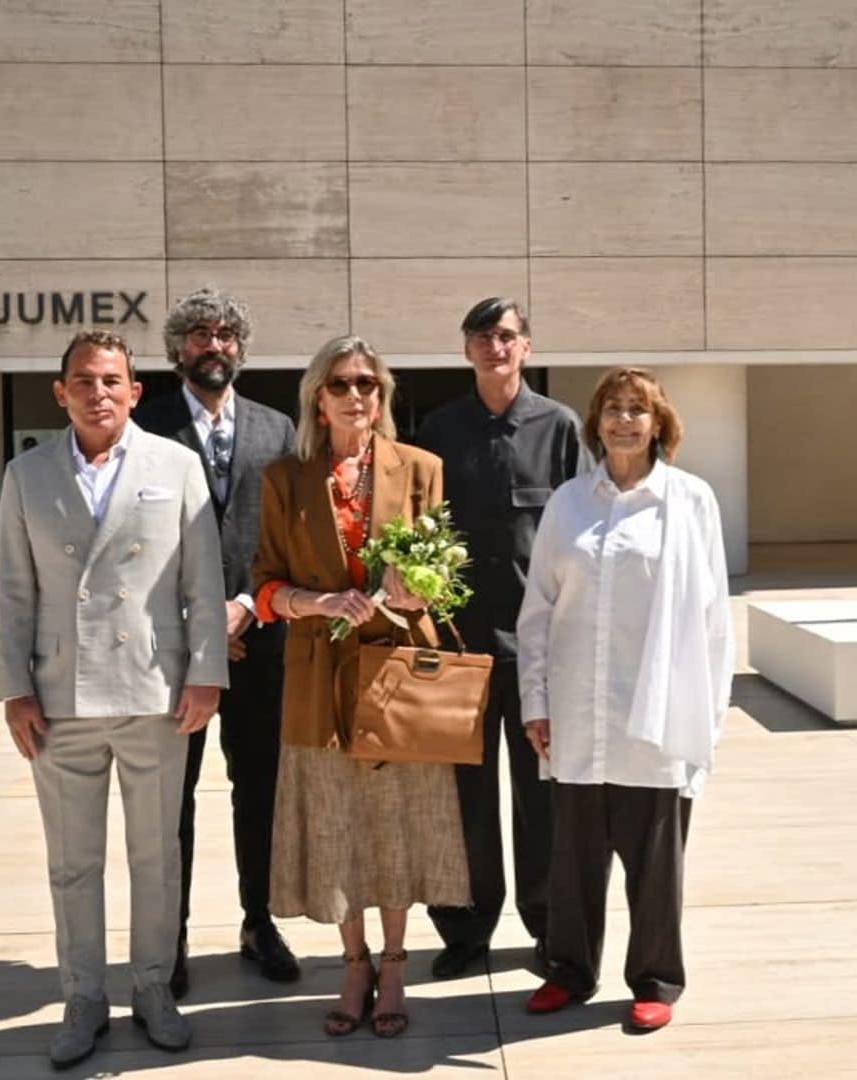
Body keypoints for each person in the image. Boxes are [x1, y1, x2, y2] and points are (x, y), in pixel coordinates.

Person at [0, 329, 228, 1069]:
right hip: (60, 698)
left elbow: (203, 584)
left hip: (155, 692)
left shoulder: (176, 465)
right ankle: (83, 997)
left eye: (112, 380)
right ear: (61, 392)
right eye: (84, 381)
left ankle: (154, 989)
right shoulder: (25, 474)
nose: (99, 393)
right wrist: (14, 689)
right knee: (73, 861)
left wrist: (205, 673)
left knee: (157, 855)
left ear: (134, 391)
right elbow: (12, 591)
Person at [251, 334, 471, 1039]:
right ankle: (353, 963)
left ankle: (397, 964)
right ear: (318, 396)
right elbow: (263, 586)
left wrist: (417, 593)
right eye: (342, 383)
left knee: (398, 824)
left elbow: (444, 580)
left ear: (384, 397)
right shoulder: (284, 478)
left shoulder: (422, 469)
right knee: (338, 823)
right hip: (321, 677)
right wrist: (314, 603)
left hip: (399, 674)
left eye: (369, 384)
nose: (356, 395)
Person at [517, 367, 734, 1031]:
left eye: (638, 410)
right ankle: (569, 971)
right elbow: (539, 611)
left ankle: (655, 980)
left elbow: (712, 616)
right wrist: (536, 702)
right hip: (579, 712)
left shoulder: (690, 501)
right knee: (573, 860)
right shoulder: (568, 504)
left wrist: (708, 720)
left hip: (655, 716)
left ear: (659, 423)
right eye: (613, 409)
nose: (624, 421)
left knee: (654, 862)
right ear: (596, 422)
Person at [417, 297, 587, 979]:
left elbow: (584, 536)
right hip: (459, 649)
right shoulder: (438, 430)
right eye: (483, 337)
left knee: (542, 799)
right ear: (466, 350)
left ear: (527, 346)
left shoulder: (562, 427)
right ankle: (465, 930)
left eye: (507, 336)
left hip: (539, 652)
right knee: (464, 799)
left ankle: (547, 927)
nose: (496, 346)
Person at [137, 287, 298, 997]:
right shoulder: (142, 424)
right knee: (171, 799)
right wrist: (200, 622)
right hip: (171, 650)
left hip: (260, 641)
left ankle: (258, 921)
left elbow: (289, 535)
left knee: (259, 789)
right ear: (178, 350)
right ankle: (167, 940)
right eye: (200, 335)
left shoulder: (276, 427)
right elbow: (133, 544)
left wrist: (241, 608)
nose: (216, 346)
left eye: (227, 335)